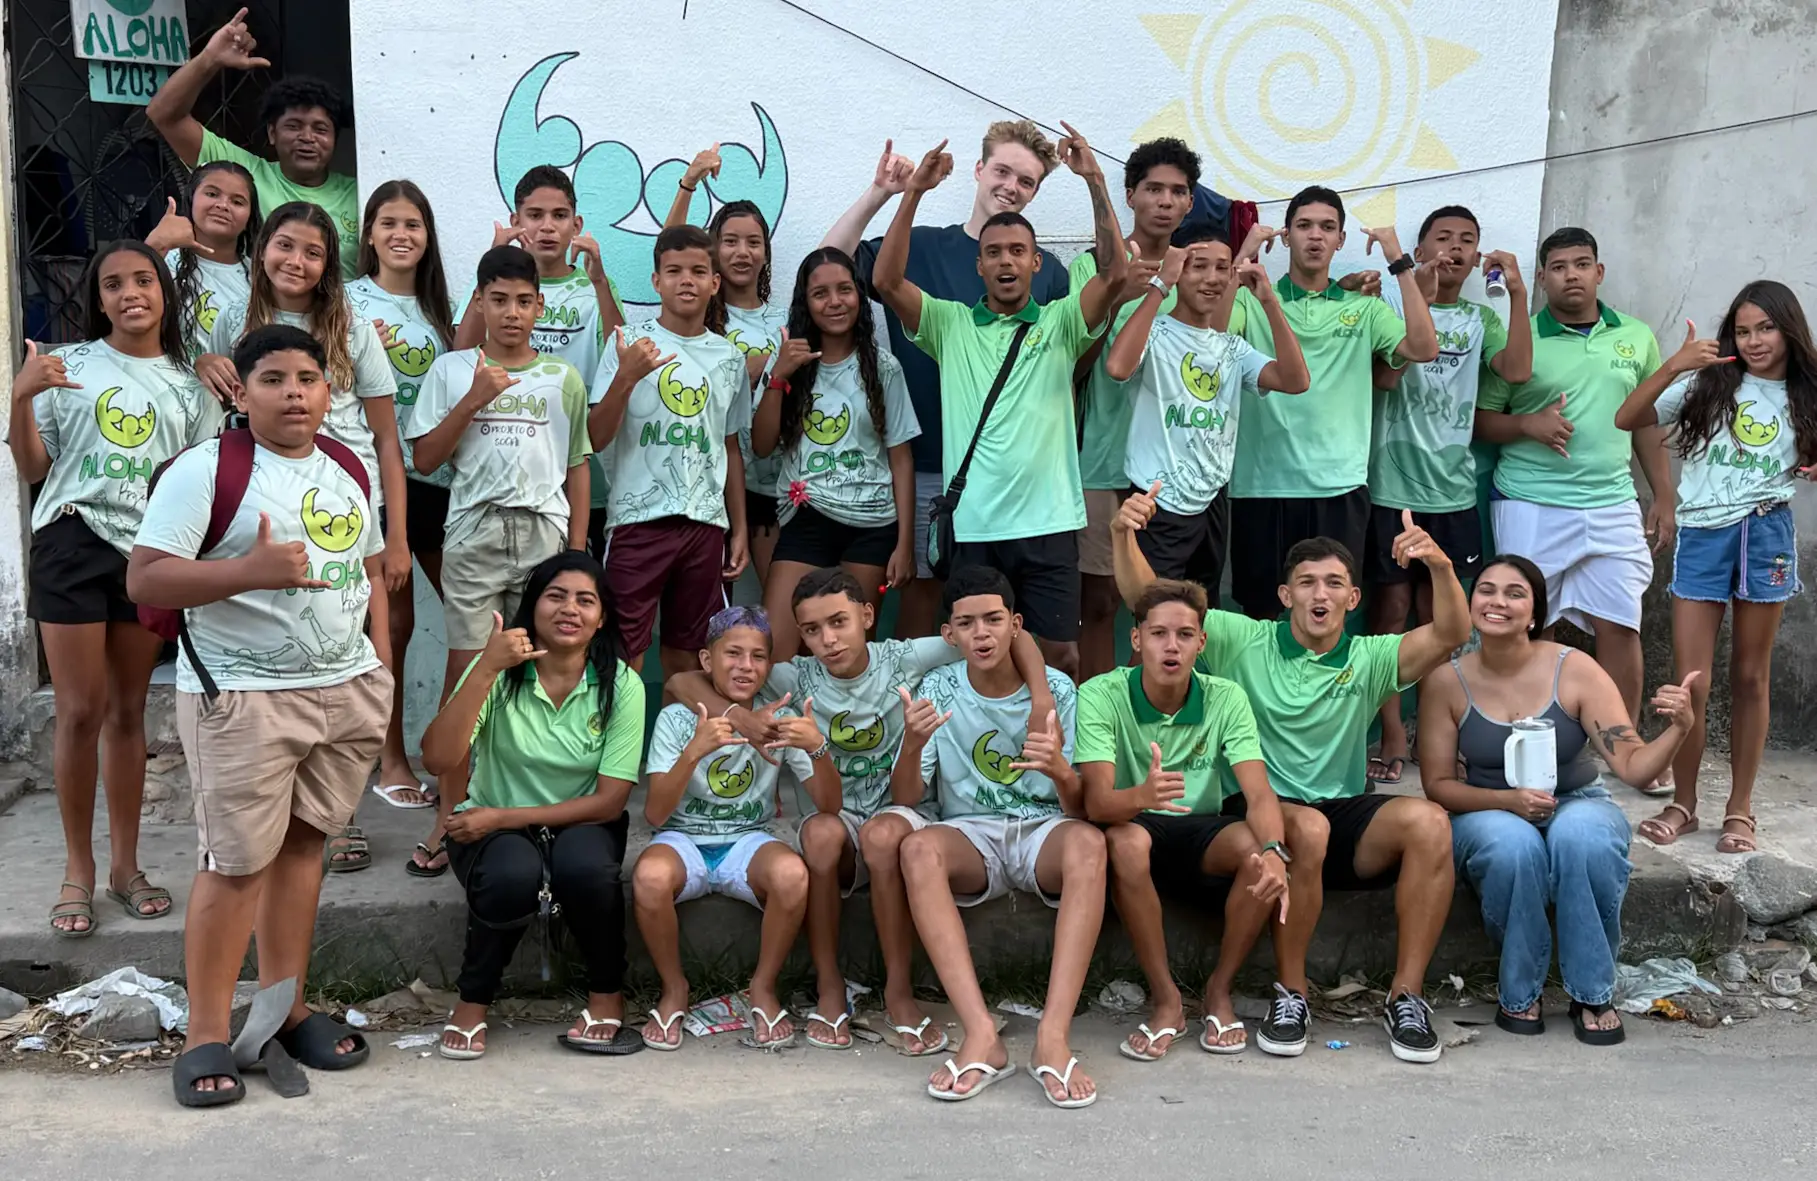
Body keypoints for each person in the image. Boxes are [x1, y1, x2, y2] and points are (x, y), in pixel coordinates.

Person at [1112, 484, 1472, 1062]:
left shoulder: (1371, 657)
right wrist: (1123, 533)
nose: (1319, 594)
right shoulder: (1242, 638)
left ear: (1353, 597)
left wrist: (1440, 565)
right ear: (1285, 595)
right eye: (1306, 583)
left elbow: (1451, 633)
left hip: (1341, 809)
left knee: (1430, 823)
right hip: (1259, 810)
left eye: (1333, 583)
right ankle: (1292, 992)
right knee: (1307, 827)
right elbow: (1148, 599)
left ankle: (1406, 995)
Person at [129, 324, 390, 1106]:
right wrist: (248, 570)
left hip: (342, 688)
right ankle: (205, 1034)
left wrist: (377, 668)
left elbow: (367, 568)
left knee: (305, 847)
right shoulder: (205, 469)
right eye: (273, 379)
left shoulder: (347, 463)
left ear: (329, 390)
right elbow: (146, 578)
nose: (294, 393)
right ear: (241, 392)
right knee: (235, 863)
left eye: (308, 378)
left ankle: (286, 1009)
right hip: (243, 695)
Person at [668, 566, 1054, 1058]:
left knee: (882, 834)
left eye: (839, 622)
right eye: (812, 630)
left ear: (868, 616)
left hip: (902, 811)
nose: (828, 640)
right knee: (821, 835)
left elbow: (1015, 636)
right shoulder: (794, 676)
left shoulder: (904, 658)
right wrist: (739, 717)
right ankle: (830, 985)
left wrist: (1041, 696)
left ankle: (898, 989)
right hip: (837, 818)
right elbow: (681, 680)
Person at [11, 242, 224, 937]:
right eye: (112, 284)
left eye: (142, 279)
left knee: (128, 712)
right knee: (79, 710)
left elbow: (197, 481)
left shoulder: (190, 385)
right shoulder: (65, 366)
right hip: (71, 542)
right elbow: (34, 467)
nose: (130, 293)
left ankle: (126, 867)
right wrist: (21, 396)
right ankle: (77, 867)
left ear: (163, 291)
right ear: (97, 300)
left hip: (149, 553)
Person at [872, 130, 1138, 678]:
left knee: (1061, 656)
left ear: (1037, 263)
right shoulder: (949, 323)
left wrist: (1094, 179)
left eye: (1018, 251)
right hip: (974, 527)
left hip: (1051, 523)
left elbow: (1114, 275)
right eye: (993, 253)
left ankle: (1050, 735)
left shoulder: (1062, 321)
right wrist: (913, 192)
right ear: (980, 267)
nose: (1005, 261)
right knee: (977, 657)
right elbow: (886, 280)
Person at [198, 203, 411, 874]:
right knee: (286, 647)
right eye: (284, 246)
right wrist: (203, 360)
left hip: (345, 511)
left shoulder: (349, 324)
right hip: (265, 506)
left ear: (328, 264)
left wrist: (396, 536)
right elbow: (216, 404)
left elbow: (386, 437)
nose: (296, 261)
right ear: (261, 248)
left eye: (312, 252)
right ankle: (270, 806)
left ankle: (338, 813)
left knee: (348, 648)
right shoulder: (234, 320)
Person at [1419, 555, 1697, 1044]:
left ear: (1534, 614)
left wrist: (1679, 729)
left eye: (1515, 593)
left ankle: (1592, 993)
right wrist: (1508, 802)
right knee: (1514, 847)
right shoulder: (1447, 681)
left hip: (1576, 798)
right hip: (1488, 807)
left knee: (1581, 837)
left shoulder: (1574, 669)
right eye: (1486, 590)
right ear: (1470, 603)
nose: (1498, 601)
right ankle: (1520, 991)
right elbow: (1438, 785)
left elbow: (1633, 766)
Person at [821, 124, 1071, 638]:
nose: (1011, 186)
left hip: (1016, 485)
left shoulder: (1049, 273)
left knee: (1005, 623)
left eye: (1026, 181)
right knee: (924, 609)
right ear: (979, 170)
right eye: (1002, 171)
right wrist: (883, 193)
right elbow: (826, 266)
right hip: (927, 467)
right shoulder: (920, 245)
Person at [407, 245, 591, 876]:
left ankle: (527, 807)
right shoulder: (452, 370)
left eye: (523, 301)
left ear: (539, 307)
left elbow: (577, 465)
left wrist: (576, 553)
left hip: (544, 535)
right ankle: (447, 818)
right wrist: (473, 399)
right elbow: (425, 460)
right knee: (467, 676)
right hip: (475, 534)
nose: (512, 313)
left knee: (542, 673)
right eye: (499, 300)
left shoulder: (563, 378)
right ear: (479, 302)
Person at [419, 551, 646, 1060]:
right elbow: (437, 758)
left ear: (601, 618)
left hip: (577, 819)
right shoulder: (498, 673)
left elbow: (610, 801)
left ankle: (607, 994)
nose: (570, 609)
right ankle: (473, 1000)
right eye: (555, 596)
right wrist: (486, 667)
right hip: (489, 828)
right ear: (532, 607)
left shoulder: (621, 684)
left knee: (587, 868)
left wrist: (504, 818)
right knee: (511, 874)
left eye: (585, 601)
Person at [1615, 281, 1817, 852]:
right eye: (1743, 330)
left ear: (1789, 329)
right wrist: (1674, 365)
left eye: (1766, 328)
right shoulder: (1708, 382)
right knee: (1691, 682)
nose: (1754, 341)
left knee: (1751, 677)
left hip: (1766, 534)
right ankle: (1684, 803)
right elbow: (1627, 417)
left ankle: (1740, 809)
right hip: (1703, 535)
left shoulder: (1807, 392)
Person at [1475, 227, 1676, 792]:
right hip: (1530, 501)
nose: (1572, 276)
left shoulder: (1635, 336)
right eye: (1559, 267)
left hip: (1612, 502)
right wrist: (1527, 425)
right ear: (1542, 277)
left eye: (1582, 264)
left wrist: (1664, 495)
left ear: (1599, 272)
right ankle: (1515, 746)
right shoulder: (1519, 339)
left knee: (1622, 625)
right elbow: (1481, 420)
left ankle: (1625, 749)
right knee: (1519, 626)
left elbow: (1647, 421)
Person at [891, 566, 1101, 1107]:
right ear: (949, 634)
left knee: (1089, 844)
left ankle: (1052, 1036)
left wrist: (1060, 771)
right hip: (970, 833)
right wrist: (911, 744)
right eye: (966, 624)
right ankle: (981, 1032)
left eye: (992, 620)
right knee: (917, 847)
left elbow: (1081, 808)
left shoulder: (1056, 690)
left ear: (1016, 625)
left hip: (1043, 830)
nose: (981, 634)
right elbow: (907, 798)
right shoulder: (938, 687)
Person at [1078, 578, 1293, 1064]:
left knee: (1256, 854)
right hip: (1134, 820)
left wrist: (1274, 852)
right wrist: (1143, 795)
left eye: (1184, 635)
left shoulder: (1225, 696)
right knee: (1126, 844)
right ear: (1136, 639)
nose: (1171, 646)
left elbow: (1259, 793)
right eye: (1158, 634)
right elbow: (1097, 804)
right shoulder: (1101, 694)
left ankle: (1219, 989)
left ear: (1202, 642)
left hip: (1202, 825)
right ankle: (1167, 1000)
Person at [1365, 205, 1533, 783]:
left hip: (1454, 492)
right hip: (1392, 488)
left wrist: (1517, 295)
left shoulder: (1479, 320)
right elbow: (1384, 376)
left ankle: (1440, 731)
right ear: (1419, 249)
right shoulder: (1391, 309)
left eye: (1467, 241)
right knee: (1389, 613)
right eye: (1443, 238)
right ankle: (1392, 730)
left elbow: (1515, 371)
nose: (1455, 249)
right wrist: (1414, 290)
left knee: (1442, 619)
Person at [1227, 185, 1439, 620]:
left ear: (1341, 240)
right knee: (1261, 619)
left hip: (1339, 487)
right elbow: (1211, 333)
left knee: (1328, 619)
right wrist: (1242, 257)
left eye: (1327, 228)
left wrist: (1399, 262)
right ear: (1285, 236)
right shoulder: (1253, 299)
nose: (1315, 236)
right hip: (1261, 487)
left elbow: (1423, 348)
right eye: (1303, 226)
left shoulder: (1365, 309)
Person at [637, 606, 839, 1050]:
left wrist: (817, 747)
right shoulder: (676, 719)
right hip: (682, 838)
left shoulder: (777, 719)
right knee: (649, 877)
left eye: (758, 656)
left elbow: (830, 805)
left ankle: (762, 987)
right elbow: (654, 814)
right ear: (706, 660)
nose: (746, 666)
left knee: (792, 874)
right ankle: (674, 988)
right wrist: (694, 751)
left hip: (748, 840)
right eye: (732, 654)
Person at [1103, 233, 1309, 592]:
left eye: (1222, 269)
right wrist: (1160, 285)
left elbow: (1296, 381)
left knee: (1201, 611)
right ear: (1179, 270)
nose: (1211, 278)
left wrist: (1269, 301)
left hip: (1211, 499)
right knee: (1155, 611)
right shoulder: (1155, 332)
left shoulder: (1231, 348)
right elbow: (1118, 368)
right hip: (1157, 500)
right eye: (1198, 266)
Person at [589, 225, 748, 677]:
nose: (686, 280)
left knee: (692, 654)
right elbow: (595, 437)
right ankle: (620, 729)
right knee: (623, 652)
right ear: (656, 281)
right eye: (674, 271)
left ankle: (679, 728)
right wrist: (626, 376)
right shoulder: (626, 344)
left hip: (705, 524)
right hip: (637, 521)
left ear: (714, 283)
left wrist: (737, 528)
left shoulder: (729, 358)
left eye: (698, 271)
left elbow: (730, 446)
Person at [347, 179, 459, 812]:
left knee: (471, 616)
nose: (400, 234)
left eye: (412, 224)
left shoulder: (442, 308)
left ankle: (462, 758)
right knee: (394, 624)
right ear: (369, 234)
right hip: (372, 479)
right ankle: (391, 759)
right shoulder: (346, 301)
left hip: (438, 482)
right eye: (388, 223)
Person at [1072, 138, 1203, 677]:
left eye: (1177, 191)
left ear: (1190, 202)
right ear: (1130, 195)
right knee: (1101, 600)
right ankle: (1100, 714)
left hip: (1176, 468)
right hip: (1104, 458)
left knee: (1164, 604)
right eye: (1153, 189)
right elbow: (1073, 361)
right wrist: (1116, 295)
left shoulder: (1198, 270)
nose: (1165, 201)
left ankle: (1149, 708)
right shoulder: (1093, 267)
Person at [753, 247, 920, 659]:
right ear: (805, 303)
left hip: (873, 525)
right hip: (807, 519)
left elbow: (901, 458)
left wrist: (905, 544)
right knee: (776, 652)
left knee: (846, 653)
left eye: (844, 289)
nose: (834, 302)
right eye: (820, 293)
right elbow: (761, 445)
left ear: (859, 295)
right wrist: (778, 377)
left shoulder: (883, 368)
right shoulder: (789, 361)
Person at [459, 166, 624, 556]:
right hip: (509, 468)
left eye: (559, 216)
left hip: (581, 470)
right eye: (535, 215)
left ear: (576, 225)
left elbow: (620, 358)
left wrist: (600, 282)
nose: (547, 227)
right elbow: (461, 351)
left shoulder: (595, 284)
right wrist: (492, 260)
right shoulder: (493, 282)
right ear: (516, 222)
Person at [147, 8, 360, 275]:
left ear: (335, 138)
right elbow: (164, 115)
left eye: (320, 129)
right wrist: (210, 59)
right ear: (272, 133)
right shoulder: (242, 174)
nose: (307, 137)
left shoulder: (358, 195)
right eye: (293, 126)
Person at [665, 152, 790, 585]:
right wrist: (689, 183)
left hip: (773, 484)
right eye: (730, 241)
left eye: (753, 242)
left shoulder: (784, 320)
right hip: (709, 481)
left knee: (784, 600)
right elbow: (671, 248)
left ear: (766, 253)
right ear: (713, 251)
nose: (742, 252)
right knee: (713, 606)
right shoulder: (699, 315)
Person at [145, 161, 259, 360]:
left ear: (250, 215)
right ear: (191, 199)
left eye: (237, 202)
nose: (223, 205)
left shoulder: (261, 276)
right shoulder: (162, 262)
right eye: (212, 194)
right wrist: (154, 247)